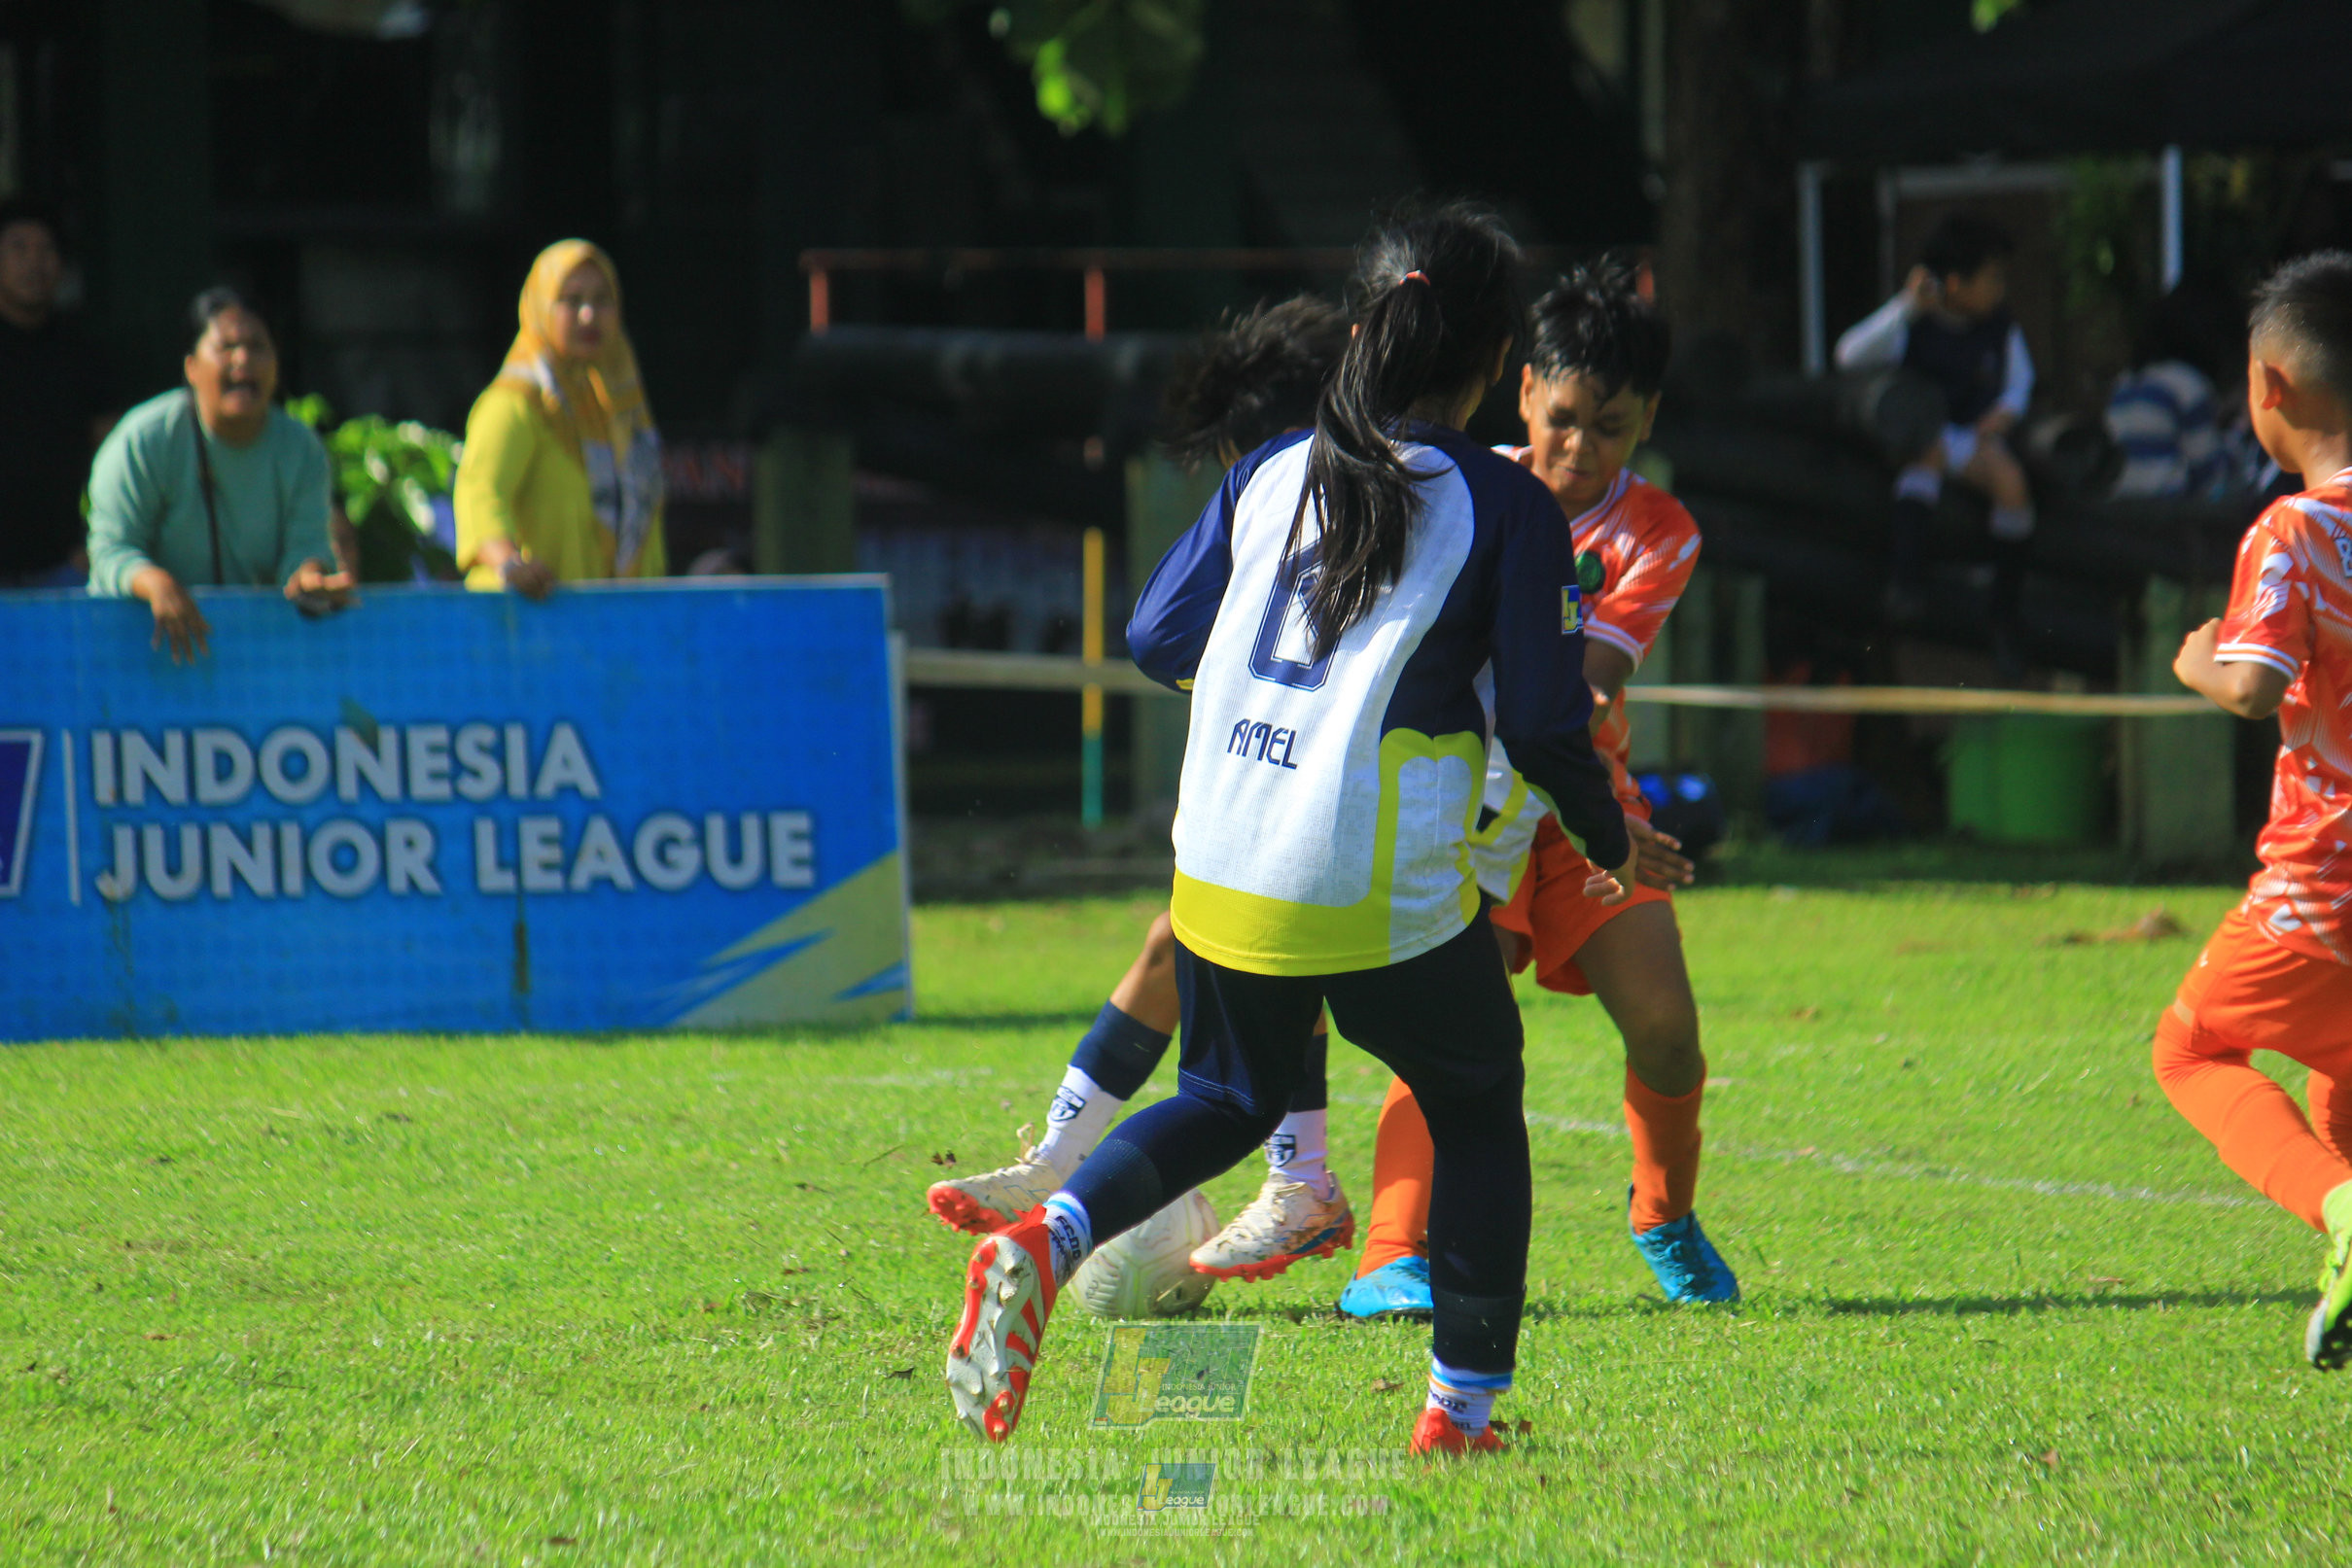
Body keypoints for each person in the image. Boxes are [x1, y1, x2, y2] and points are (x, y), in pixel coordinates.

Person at [944, 207, 1636, 1454]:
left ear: (1363, 331)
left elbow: (1158, 638)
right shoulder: (1506, 502)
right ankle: (1461, 1412)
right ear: (1493, 359)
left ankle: (1048, 1237)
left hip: (1218, 857)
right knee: (1477, 1103)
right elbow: (1541, 722)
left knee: (1221, 1090)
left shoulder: (1272, 469)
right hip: (1366, 875)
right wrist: (1612, 836)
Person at [926, 296, 1362, 1283]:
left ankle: (1304, 1183)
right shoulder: (1389, 481)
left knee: (1280, 959)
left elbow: (1159, 634)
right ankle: (1064, 1158)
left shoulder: (1296, 482)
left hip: (1333, 793)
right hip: (1292, 778)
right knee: (1184, 941)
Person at [1344, 261, 1737, 1319]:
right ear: (1522, 392)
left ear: (1645, 419)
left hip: (1577, 805)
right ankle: (1392, 1251)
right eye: (1561, 418)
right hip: (1462, 804)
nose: (1578, 446)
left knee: (1665, 1024)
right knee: (1449, 1022)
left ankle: (1663, 1214)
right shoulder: (1454, 482)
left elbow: (1581, 684)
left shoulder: (1656, 531)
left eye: (1609, 427)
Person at [2156, 251, 2352, 1372]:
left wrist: (2195, 658)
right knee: (2339, 1085)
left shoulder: (2292, 530)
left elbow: (2249, 686)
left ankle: (2340, 1219)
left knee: (2189, 1047)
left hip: (2320, 884)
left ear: (2268, 387)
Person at [85, 289, 351, 659]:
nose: (243, 359)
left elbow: (306, 546)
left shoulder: (301, 448)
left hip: (252, 654)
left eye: (257, 346)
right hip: (136, 648)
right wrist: (155, 584)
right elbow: (111, 550)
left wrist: (308, 576)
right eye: (226, 347)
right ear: (191, 367)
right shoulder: (143, 440)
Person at [1835, 214, 2034, 671]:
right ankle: (1906, 581)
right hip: (1918, 436)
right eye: (1991, 278)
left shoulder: (2001, 329)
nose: (1999, 288)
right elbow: (1849, 355)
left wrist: (2005, 414)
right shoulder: (1914, 322)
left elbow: (2020, 383)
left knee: (2011, 484)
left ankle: (2004, 610)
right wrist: (1906, 306)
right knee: (1924, 458)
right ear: (1956, 283)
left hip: (1971, 436)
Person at [454, 239, 666, 597]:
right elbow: (480, 492)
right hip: (524, 624)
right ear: (539, 307)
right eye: (571, 300)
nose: (589, 315)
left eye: (602, 300)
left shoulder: (621, 411)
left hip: (612, 629)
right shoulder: (514, 403)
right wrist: (510, 565)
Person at [0, 200, 115, 588]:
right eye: (18, 248)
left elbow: (111, 453)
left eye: (46, 250)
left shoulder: (83, 353)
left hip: (62, 569)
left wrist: (96, 543)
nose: (34, 263)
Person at [2106, 284, 2232, 500]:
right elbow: (2208, 470)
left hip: (2121, 509)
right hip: (2168, 514)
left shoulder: (2124, 384)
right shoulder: (2186, 384)